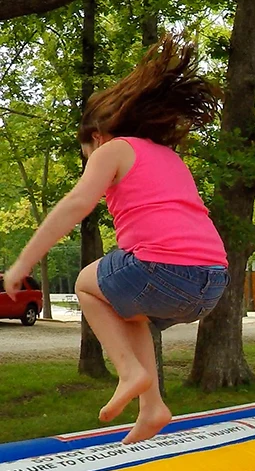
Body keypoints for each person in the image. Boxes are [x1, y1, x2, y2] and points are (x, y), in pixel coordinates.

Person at [4, 35, 229, 444]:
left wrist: (23, 263)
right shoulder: (169, 157)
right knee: (130, 313)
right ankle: (153, 407)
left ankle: (129, 372)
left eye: (86, 152)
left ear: (98, 136)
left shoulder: (114, 149)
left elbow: (75, 205)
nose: (90, 162)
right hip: (212, 281)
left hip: (163, 270)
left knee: (86, 285)